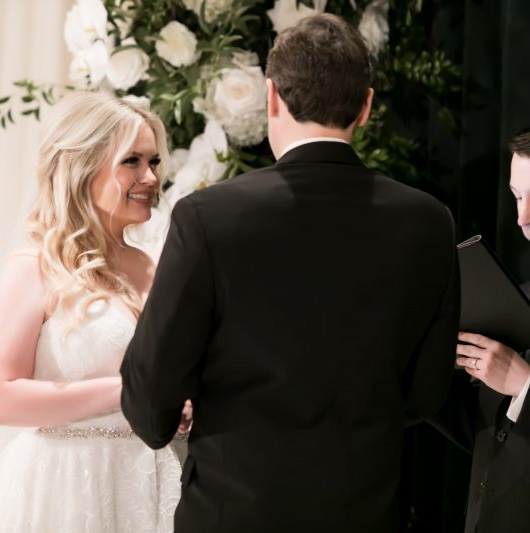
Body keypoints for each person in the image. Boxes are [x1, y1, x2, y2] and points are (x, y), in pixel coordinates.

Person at [120, 14, 460, 533]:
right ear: (366, 106)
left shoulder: (209, 217)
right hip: (366, 513)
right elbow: (428, 394)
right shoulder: (429, 222)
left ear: (272, 97)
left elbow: (149, 400)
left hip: (234, 513)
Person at [0, 91, 182, 532]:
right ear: (83, 167)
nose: (150, 177)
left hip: (148, 481)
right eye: (131, 161)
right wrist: (128, 391)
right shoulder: (34, 268)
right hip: (64, 486)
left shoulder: (154, 266)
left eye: (154, 162)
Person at [438, 129, 530, 533]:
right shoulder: (520, 298)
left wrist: (526, 385)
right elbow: (486, 431)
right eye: (518, 196)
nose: (522, 217)